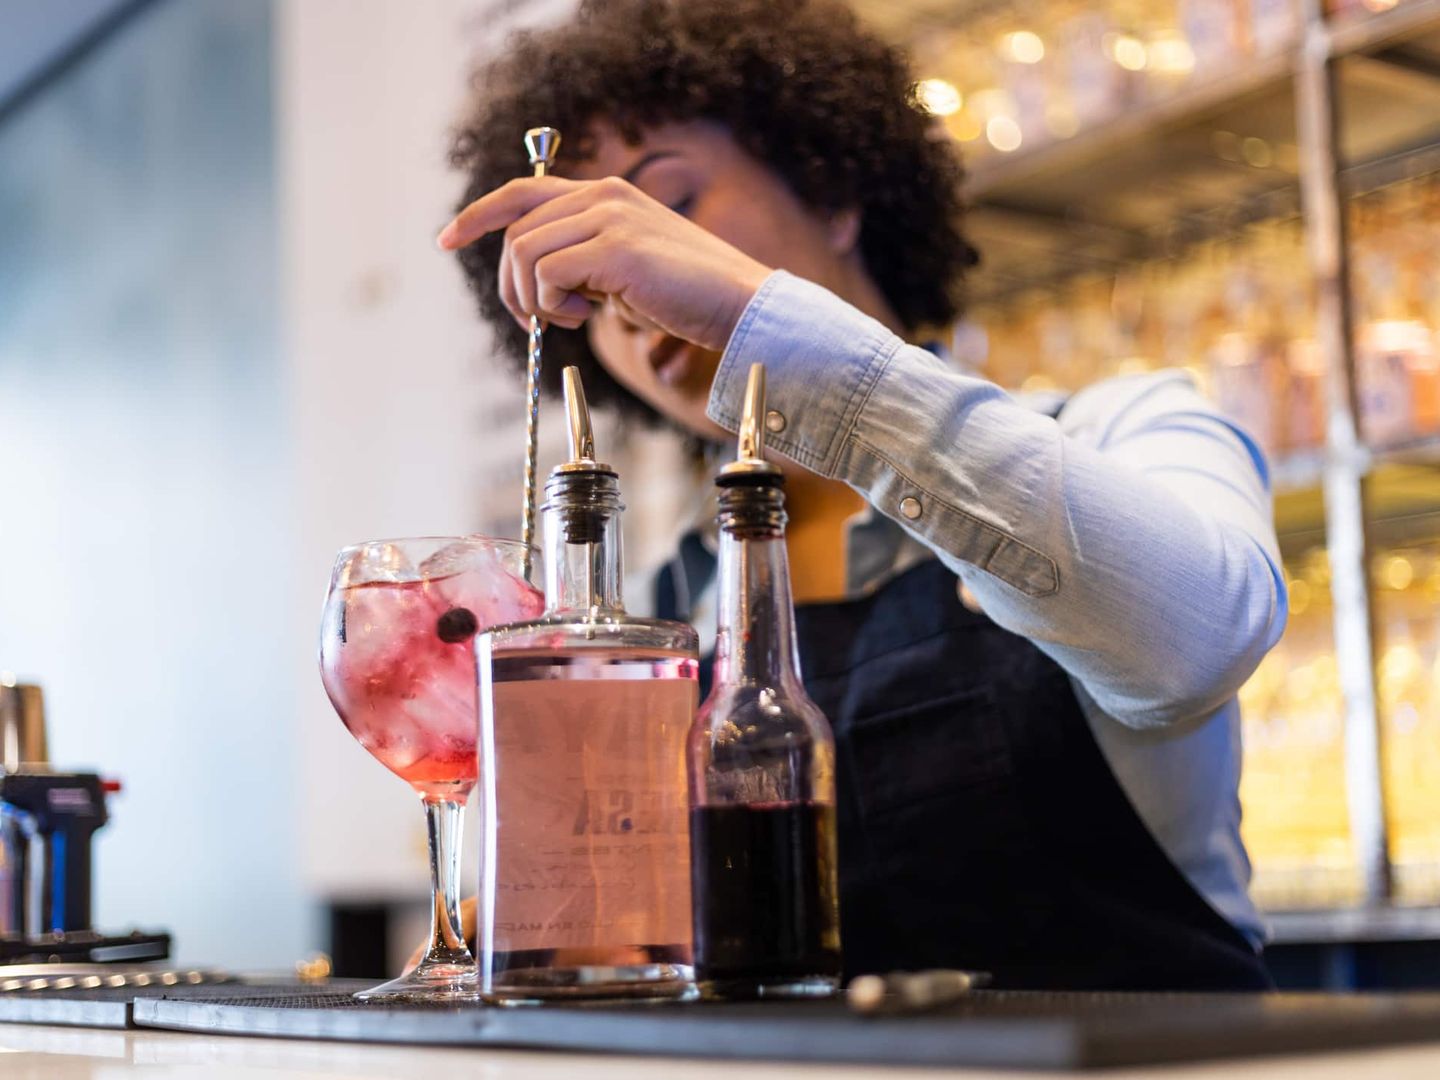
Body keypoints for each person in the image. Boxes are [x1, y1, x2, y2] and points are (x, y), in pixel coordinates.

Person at [437, 0, 1286, 990]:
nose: (624, 289)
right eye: (583, 286)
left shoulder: (1124, 429)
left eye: (667, 208)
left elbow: (1197, 639)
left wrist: (756, 314)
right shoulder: (670, 604)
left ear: (834, 193)